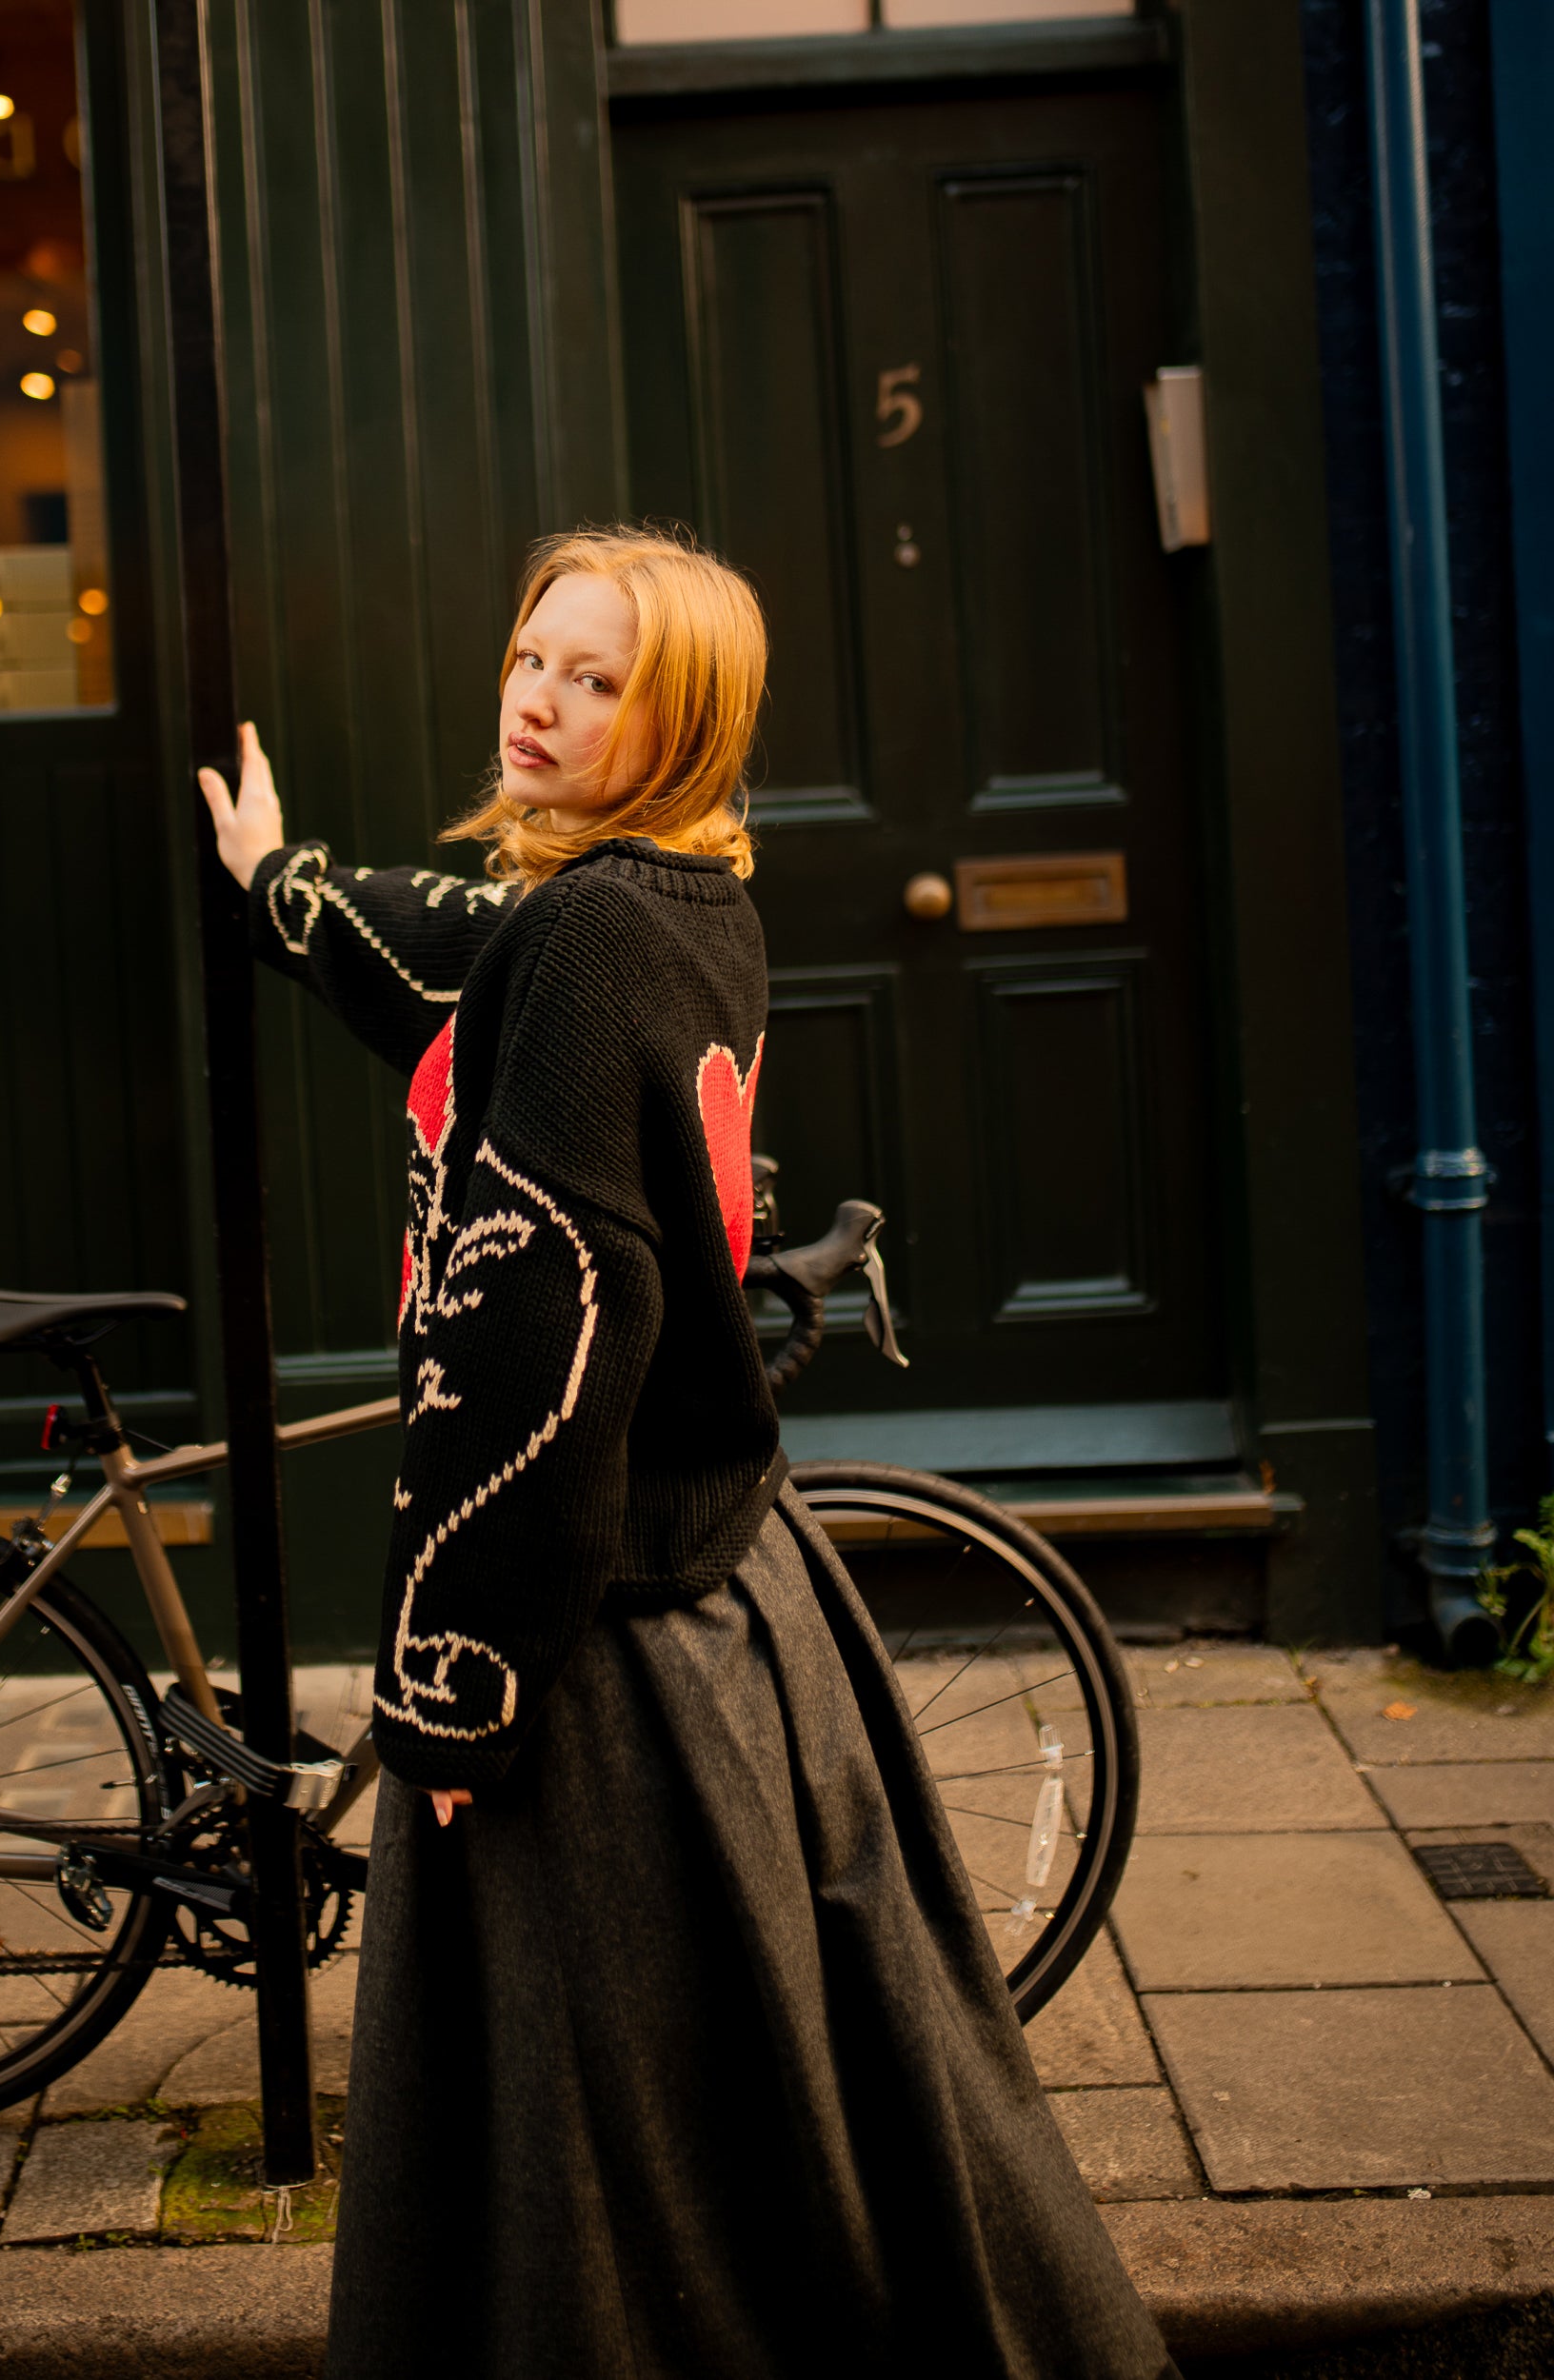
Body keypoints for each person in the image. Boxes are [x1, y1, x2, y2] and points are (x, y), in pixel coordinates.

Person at [198, 526, 1178, 2380]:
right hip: (736, 1588)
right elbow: (441, 965)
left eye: (595, 677)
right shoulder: (682, 898)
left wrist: (456, 1686)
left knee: (596, 2158)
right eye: (530, 653)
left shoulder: (580, 935)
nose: (538, 697)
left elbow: (540, 1341)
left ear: (682, 718)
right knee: (791, 2108)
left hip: (602, 1631)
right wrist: (279, 884)